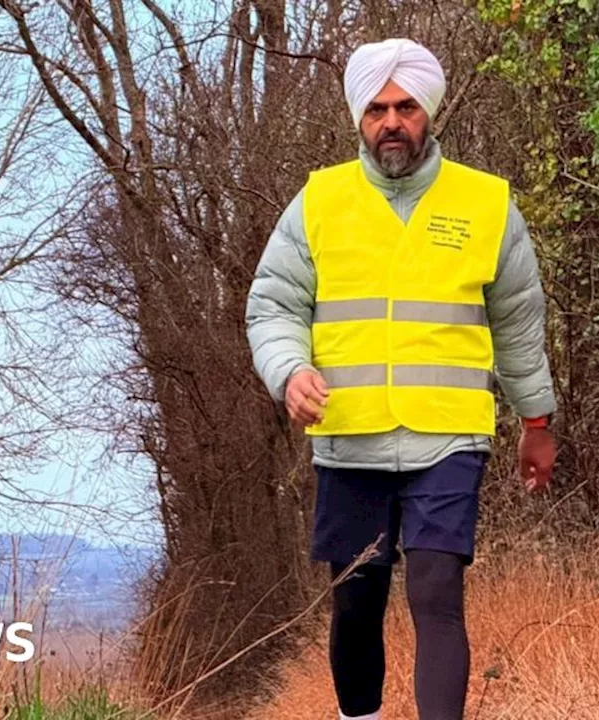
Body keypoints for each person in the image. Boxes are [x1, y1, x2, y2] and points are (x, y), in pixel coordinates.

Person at [244, 38, 557, 720]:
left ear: (430, 111)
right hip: (348, 438)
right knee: (358, 597)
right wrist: (290, 370)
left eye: (406, 107)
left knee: (437, 592)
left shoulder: (487, 204)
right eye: (378, 109)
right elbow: (272, 305)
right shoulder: (319, 201)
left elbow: (518, 323)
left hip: (448, 438)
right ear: (359, 116)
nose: (392, 122)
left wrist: (536, 421)